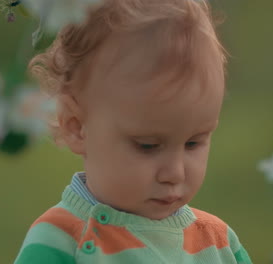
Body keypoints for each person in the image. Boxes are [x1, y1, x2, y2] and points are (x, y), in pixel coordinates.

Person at [15, 0, 252, 263]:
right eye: (148, 146)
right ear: (77, 126)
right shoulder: (60, 241)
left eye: (193, 143)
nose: (175, 173)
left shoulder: (218, 244)